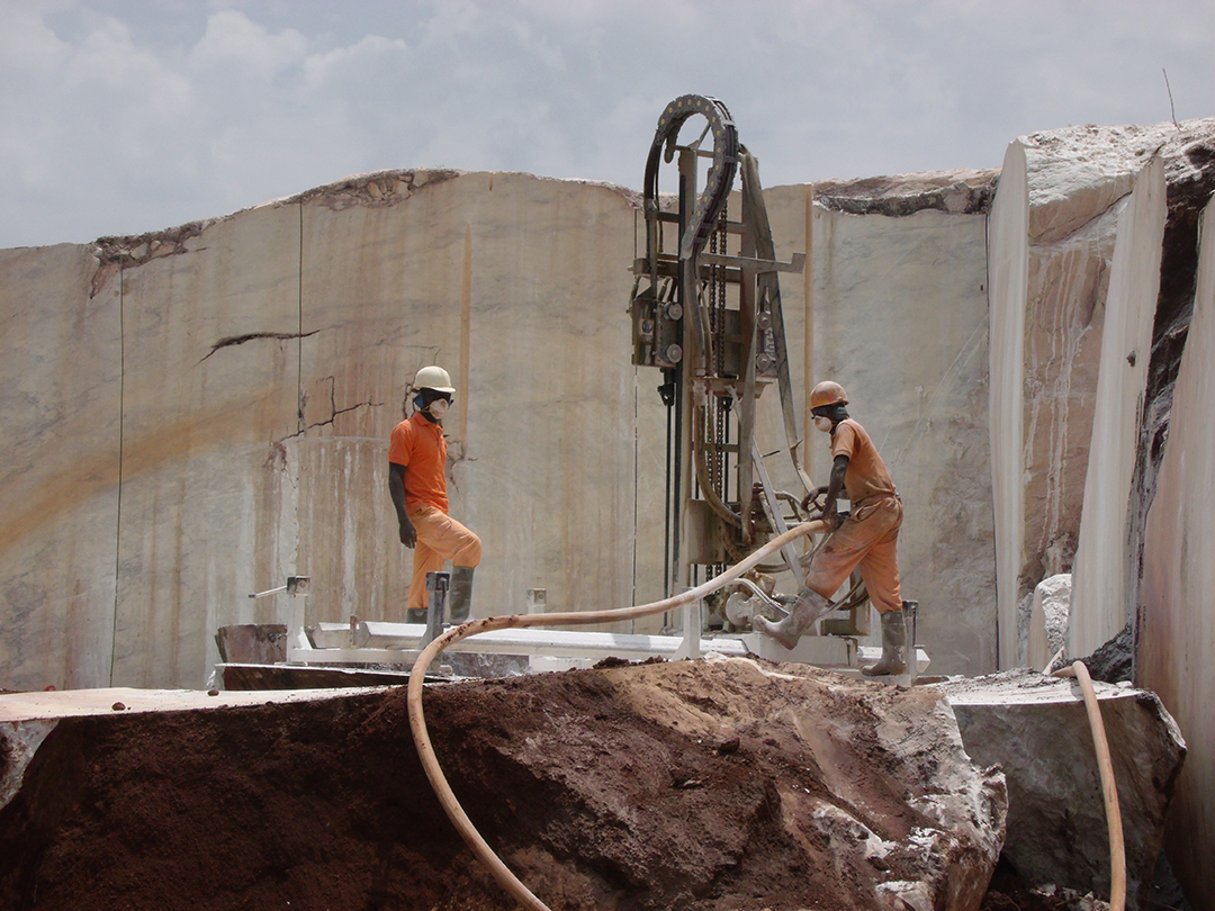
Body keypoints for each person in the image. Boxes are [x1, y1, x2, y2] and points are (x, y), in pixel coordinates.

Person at [754, 380, 909, 676]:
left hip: (874, 510)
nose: (815, 422)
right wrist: (827, 491)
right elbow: (858, 481)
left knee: (828, 559)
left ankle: (790, 629)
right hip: (887, 510)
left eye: (816, 416)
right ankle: (895, 656)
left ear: (827, 412)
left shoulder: (845, 430)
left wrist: (825, 512)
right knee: (884, 584)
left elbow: (840, 468)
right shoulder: (854, 430)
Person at [388, 365, 481, 624]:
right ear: (422, 398)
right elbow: (395, 476)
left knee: (423, 586)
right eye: (437, 396)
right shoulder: (406, 431)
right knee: (470, 546)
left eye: (446, 398)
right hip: (420, 511)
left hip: (435, 511)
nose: (443, 403)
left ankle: (416, 633)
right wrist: (403, 520)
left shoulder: (438, 435)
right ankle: (459, 622)